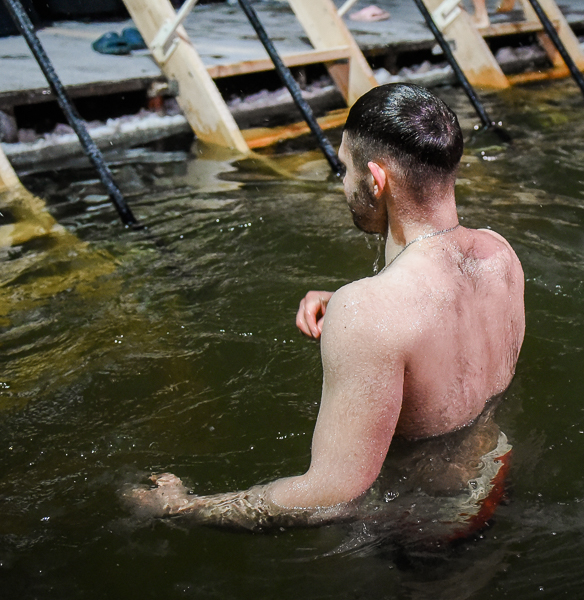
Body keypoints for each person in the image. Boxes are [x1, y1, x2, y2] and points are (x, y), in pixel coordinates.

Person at [127, 83, 526, 532]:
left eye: (344, 169)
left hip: (425, 532)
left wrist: (184, 508)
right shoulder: (500, 256)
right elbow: (447, 328)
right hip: (496, 480)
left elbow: (332, 498)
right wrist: (345, 304)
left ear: (376, 182)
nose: (343, 183)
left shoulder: (370, 313)